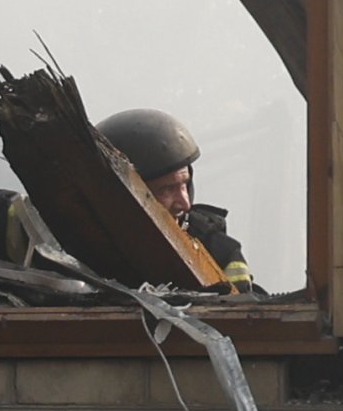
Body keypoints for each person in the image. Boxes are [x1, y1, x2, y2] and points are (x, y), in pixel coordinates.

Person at [94, 106, 254, 286]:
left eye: (185, 184)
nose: (184, 204)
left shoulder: (221, 253)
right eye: (167, 189)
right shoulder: (86, 249)